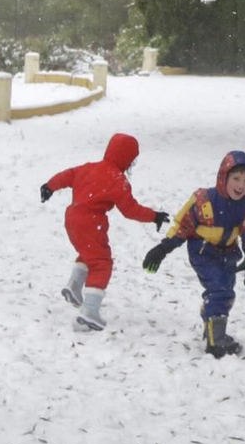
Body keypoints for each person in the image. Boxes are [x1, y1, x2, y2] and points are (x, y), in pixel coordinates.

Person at [40, 133, 170, 331]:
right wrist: (154, 216)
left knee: (88, 251)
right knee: (101, 263)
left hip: (72, 218)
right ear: (128, 159)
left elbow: (66, 175)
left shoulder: (89, 167)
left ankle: (75, 286)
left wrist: (49, 186)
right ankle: (90, 311)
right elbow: (130, 210)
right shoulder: (118, 180)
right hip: (91, 222)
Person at [143, 150, 245, 357]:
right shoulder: (203, 200)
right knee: (219, 290)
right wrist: (162, 249)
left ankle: (211, 317)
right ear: (223, 176)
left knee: (226, 291)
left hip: (229, 252)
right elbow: (182, 226)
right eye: (236, 178)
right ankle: (215, 341)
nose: (241, 185)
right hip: (203, 251)